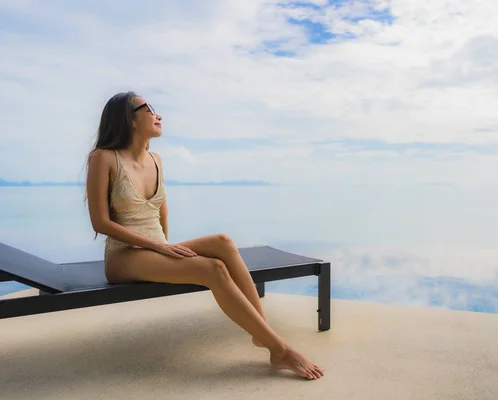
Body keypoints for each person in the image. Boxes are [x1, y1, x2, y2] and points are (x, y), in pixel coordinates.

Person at [85, 91, 324, 380]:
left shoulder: (156, 159)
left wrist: (165, 251)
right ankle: (280, 350)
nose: (158, 115)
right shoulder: (104, 158)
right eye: (148, 108)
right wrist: (159, 250)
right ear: (130, 119)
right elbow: (99, 222)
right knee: (212, 268)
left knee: (222, 241)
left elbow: (161, 212)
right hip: (123, 255)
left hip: (156, 248)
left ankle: (262, 331)